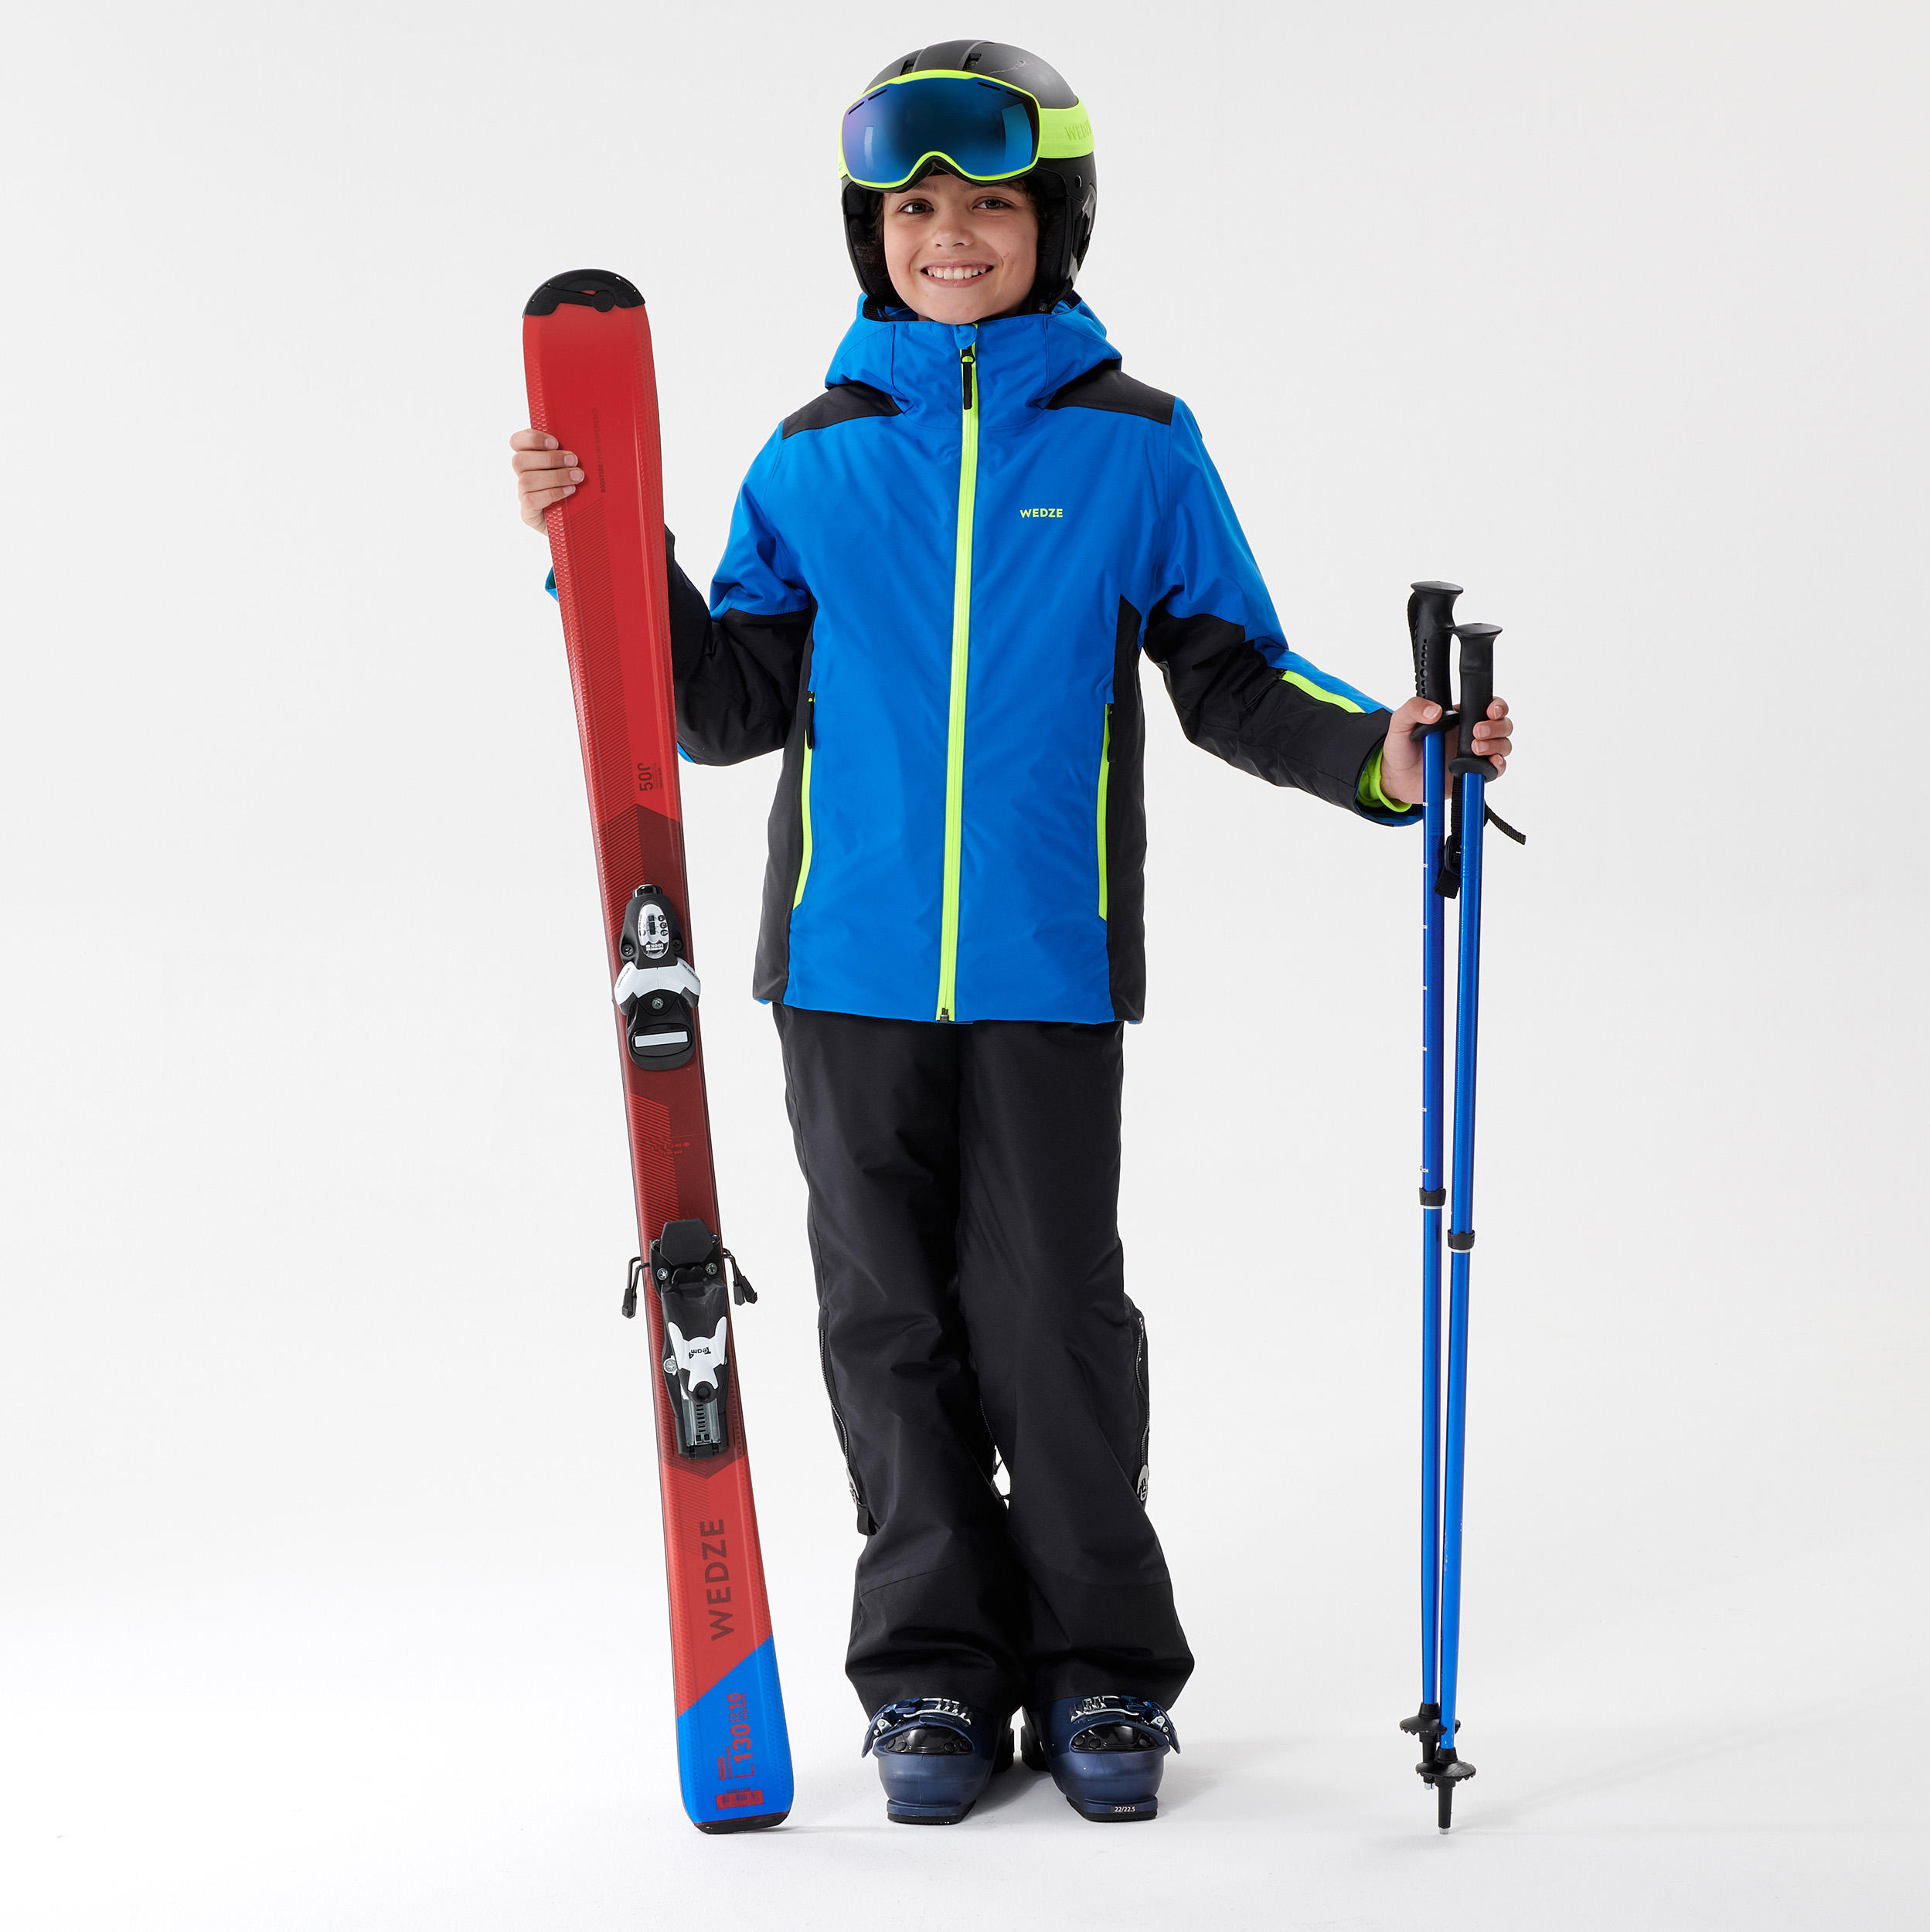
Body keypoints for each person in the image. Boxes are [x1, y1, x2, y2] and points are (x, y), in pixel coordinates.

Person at [509, 39, 1515, 1827]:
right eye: (911, 209)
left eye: (985, 203)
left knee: (1049, 1312)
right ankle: (929, 1671)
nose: (948, 236)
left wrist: (1385, 753)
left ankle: (1101, 1660)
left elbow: (1230, 669)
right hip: (843, 964)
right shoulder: (812, 458)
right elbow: (724, 703)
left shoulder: (1135, 443)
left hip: (1049, 959)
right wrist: (608, 552)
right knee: (884, 1318)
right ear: (867, 235)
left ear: (1055, 220)